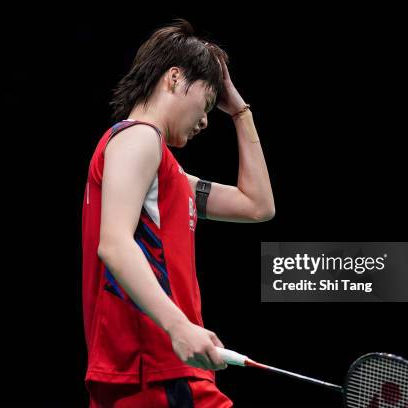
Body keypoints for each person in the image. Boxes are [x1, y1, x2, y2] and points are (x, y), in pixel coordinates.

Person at [82, 19, 275, 407]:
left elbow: (258, 206)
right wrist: (179, 327)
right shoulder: (139, 138)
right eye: (206, 104)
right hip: (159, 368)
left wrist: (239, 111)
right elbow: (115, 245)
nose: (206, 120)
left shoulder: (166, 173)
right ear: (174, 78)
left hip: (157, 374)